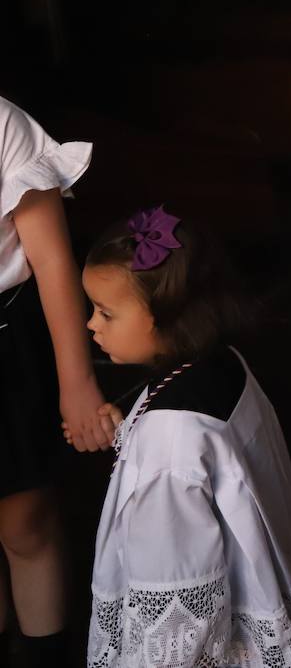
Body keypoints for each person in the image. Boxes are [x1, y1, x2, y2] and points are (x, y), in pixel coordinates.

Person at [79, 206, 291, 666]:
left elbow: (178, 592)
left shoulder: (169, 442)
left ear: (162, 316)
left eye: (106, 313)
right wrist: (128, 429)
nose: (92, 324)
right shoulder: (220, 363)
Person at [0, 96, 109, 668]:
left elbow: (52, 262)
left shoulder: (3, 123)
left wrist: (76, 383)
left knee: (24, 522)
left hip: (5, 340)